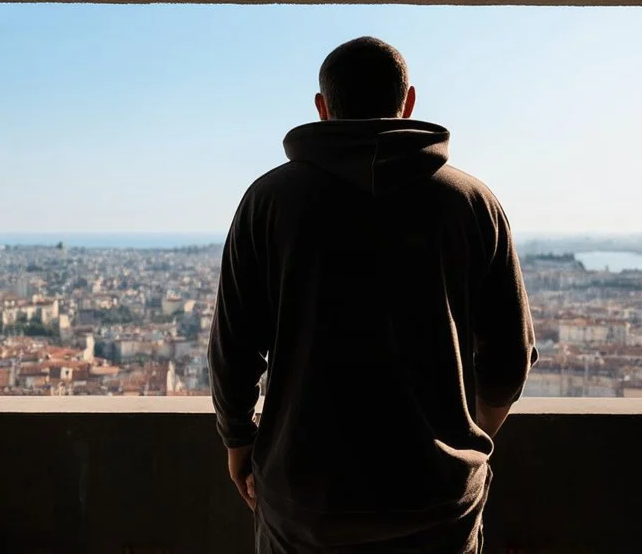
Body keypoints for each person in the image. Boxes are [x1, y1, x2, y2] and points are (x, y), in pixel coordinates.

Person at [209, 36, 538, 553]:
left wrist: (238, 441)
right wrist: (468, 437)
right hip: (438, 505)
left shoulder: (268, 201)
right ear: (409, 102)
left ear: (322, 108)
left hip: (304, 503)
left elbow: (232, 349)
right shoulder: (472, 202)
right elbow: (510, 356)